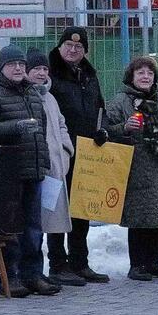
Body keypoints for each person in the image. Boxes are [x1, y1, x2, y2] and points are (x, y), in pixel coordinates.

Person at [0, 45, 56, 296]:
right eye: (13, 65)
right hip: (6, 172)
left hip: (33, 168)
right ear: (1, 68)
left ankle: (34, 274)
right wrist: (17, 127)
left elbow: (40, 130)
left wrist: (43, 161)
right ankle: (13, 275)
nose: (19, 68)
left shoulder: (32, 93)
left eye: (22, 64)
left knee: (34, 228)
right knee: (11, 228)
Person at [101, 57, 158, 280]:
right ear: (131, 77)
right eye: (140, 73)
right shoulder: (119, 102)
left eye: (149, 73)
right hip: (137, 165)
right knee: (141, 215)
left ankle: (153, 262)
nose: (146, 77)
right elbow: (106, 131)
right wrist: (124, 127)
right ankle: (137, 265)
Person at [43, 26, 107, 284]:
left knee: (81, 209)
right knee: (58, 210)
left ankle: (80, 262)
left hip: (87, 151)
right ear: (60, 47)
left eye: (79, 47)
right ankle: (58, 265)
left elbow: (99, 106)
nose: (73, 50)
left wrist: (100, 131)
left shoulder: (89, 76)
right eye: (68, 45)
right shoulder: (50, 75)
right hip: (59, 152)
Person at [27, 52, 80, 283]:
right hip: (35, 168)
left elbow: (61, 124)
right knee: (34, 224)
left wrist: (67, 151)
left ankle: (57, 266)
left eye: (45, 69)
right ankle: (35, 271)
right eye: (36, 69)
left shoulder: (50, 97)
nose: (41, 73)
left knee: (52, 220)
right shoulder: (25, 95)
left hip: (56, 169)